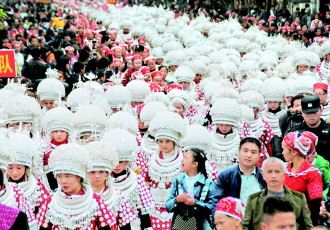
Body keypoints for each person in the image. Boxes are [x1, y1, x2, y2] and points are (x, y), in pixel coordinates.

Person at [37, 143, 117, 229]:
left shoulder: (95, 201)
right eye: (59, 176)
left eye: (68, 176)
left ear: (79, 176)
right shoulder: (50, 203)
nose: (63, 181)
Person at [242, 157, 313, 229]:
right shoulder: (253, 200)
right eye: (269, 171)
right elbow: (245, 227)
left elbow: (308, 226)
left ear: (284, 174)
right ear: (263, 175)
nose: (273, 176)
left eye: (277, 171)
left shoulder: (299, 198)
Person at [146, 111, 187, 230]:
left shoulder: (183, 158)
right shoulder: (151, 159)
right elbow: (146, 180)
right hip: (155, 204)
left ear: (174, 141)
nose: (164, 145)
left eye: (167, 141)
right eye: (160, 141)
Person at [86, 140, 138, 230]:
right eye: (93, 172)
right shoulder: (81, 197)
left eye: (101, 172)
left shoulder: (117, 196)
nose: (97, 176)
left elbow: (125, 225)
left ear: (107, 173)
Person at [166, 148, 215, 229]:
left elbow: (213, 207)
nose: (182, 160)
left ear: (195, 164)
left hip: (200, 225)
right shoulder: (177, 181)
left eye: (185, 157)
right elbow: (168, 206)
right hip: (179, 225)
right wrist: (176, 200)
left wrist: (195, 203)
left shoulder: (208, 183)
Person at [282, 131, 323, 225]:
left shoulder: (312, 173)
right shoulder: (285, 169)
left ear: (293, 151)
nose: (282, 153)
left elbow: (315, 204)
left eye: (284, 149)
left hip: (303, 222)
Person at [213, 137, 267, 209]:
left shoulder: (266, 177)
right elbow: (216, 203)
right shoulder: (225, 176)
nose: (249, 155)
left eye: (253, 152)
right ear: (238, 152)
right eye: (245, 151)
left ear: (259, 155)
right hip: (232, 219)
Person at [288, 95, 330, 162]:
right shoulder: (295, 132)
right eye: (308, 113)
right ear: (302, 112)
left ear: (321, 110)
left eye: (314, 112)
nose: (311, 116)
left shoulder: (328, 130)